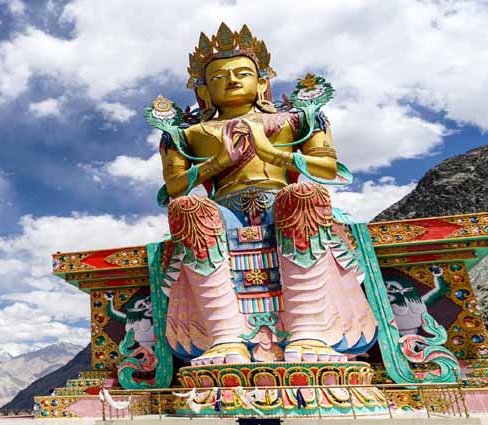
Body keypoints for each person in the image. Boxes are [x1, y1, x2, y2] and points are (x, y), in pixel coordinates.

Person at [149, 23, 377, 366]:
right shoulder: (188, 133)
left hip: (282, 199)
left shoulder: (296, 120)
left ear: (261, 83)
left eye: (242, 73)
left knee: (304, 194)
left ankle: (308, 331)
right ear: (204, 92)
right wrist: (219, 162)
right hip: (223, 208)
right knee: (189, 207)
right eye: (218, 77)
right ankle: (225, 337)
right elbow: (174, 188)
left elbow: (327, 170)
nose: (231, 80)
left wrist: (274, 154)